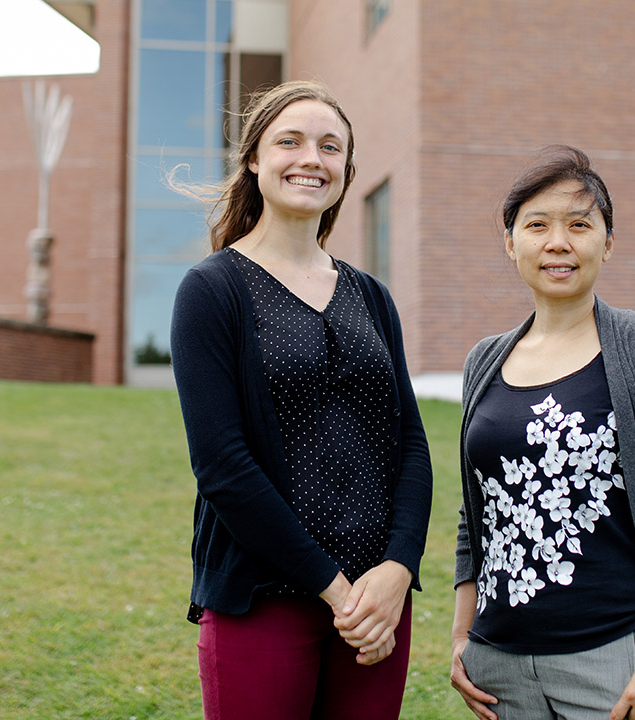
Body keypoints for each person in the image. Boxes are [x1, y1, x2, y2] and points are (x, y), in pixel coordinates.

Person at [169, 80, 432, 720]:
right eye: (290, 141)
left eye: (330, 146)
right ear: (255, 160)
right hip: (264, 599)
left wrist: (397, 568)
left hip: (375, 605)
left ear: (346, 170)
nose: (311, 158)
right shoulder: (212, 291)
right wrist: (336, 591)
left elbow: (412, 447)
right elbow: (223, 467)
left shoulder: (371, 295)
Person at [450, 145, 635, 720]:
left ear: (607, 242)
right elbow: (476, 516)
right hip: (500, 668)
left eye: (579, 225)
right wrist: (460, 635)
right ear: (510, 242)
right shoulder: (484, 361)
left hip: (618, 661)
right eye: (537, 225)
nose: (558, 242)